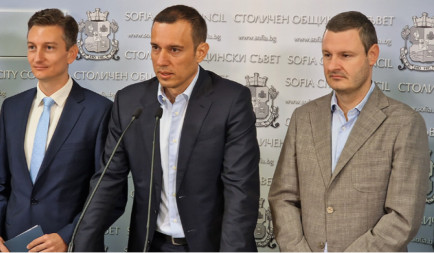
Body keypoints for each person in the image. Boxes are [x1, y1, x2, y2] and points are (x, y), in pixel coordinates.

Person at [73, 4, 260, 252]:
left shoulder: (231, 101)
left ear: (201, 51)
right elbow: (107, 182)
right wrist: (80, 243)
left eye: (174, 50)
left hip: (211, 246)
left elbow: (240, 192)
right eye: (155, 48)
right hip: (151, 245)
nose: (162, 60)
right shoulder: (129, 103)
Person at [268, 11, 429, 252]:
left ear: (372, 55)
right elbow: (283, 198)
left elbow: (402, 218)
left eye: (345, 55)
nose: (333, 65)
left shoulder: (405, 124)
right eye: (327, 55)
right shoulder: (304, 118)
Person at [0, 8, 113, 252]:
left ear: (72, 53)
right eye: (32, 47)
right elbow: (0, 184)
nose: (37, 57)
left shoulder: (100, 111)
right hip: (12, 245)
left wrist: (68, 236)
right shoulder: (12, 108)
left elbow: (106, 194)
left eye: (49, 47)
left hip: (71, 246)